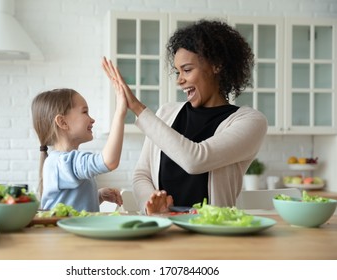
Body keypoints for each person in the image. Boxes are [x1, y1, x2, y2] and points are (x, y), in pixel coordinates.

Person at [102, 19, 268, 215]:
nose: (180, 80)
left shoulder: (250, 121)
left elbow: (195, 159)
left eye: (187, 70)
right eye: (178, 71)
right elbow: (142, 174)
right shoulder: (166, 113)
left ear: (216, 65)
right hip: (163, 229)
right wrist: (153, 205)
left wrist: (138, 108)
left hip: (214, 234)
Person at [31, 73, 127, 211]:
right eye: (85, 112)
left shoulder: (66, 162)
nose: (92, 119)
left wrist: (98, 196)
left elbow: (73, 203)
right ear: (63, 122)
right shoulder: (62, 162)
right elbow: (109, 161)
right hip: (62, 233)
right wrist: (120, 113)